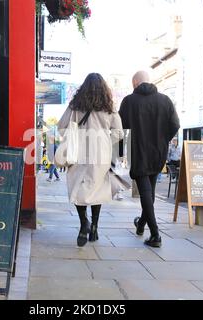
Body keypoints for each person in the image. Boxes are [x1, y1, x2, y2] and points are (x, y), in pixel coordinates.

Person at [57, 73, 124, 247]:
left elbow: (61, 126)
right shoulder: (109, 107)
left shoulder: (75, 105)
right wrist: (106, 141)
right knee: (97, 190)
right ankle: (94, 227)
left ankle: (83, 225)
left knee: (78, 188)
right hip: (101, 153)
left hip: (78, 151)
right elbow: (119, 133)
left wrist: (72, 136)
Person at [119, 71, 180, 248]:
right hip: (158, 152)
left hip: (138, 151)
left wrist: (120, 153)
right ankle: (141, 225)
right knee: (150, 192)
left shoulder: (129, 101)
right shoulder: (165, 100)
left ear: (136, 82)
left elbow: (120, 129)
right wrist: (163, 140)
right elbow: (175, 125)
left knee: (146, 192)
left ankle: (155, 234)